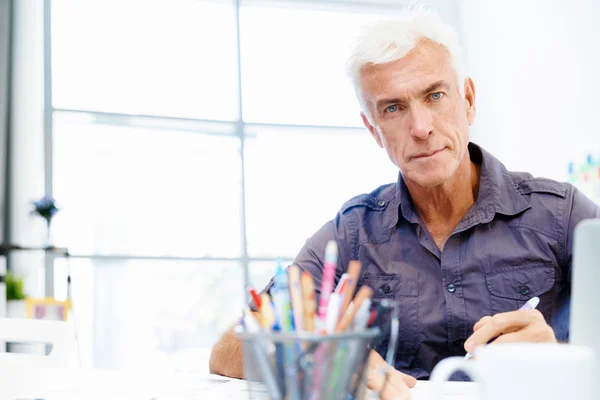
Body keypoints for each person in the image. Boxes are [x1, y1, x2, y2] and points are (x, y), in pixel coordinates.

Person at [209, 9, 599, 399]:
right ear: (373, 129)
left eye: (435, 95)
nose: (421, 128)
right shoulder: (353, 232)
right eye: (393, 108)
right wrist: (328, 359)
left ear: (468, 101)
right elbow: (229, 349)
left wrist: (560, 358)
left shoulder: (563, 215)